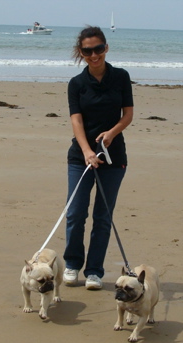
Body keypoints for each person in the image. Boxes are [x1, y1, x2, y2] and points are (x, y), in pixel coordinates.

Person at [63, 26, 134, 290]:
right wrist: (87, 152)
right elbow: (76, 120)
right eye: (88, 51)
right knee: (75, 213)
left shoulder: (121, 77)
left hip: (113, 158)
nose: (94, 55)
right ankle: (72, 265)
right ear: (81, 53)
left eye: (98, 49)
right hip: (81, 157)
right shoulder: (77, 84)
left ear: (106, 48)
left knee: (103, 216)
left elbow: (128, 114)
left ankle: (94, 271)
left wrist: (112, 133)